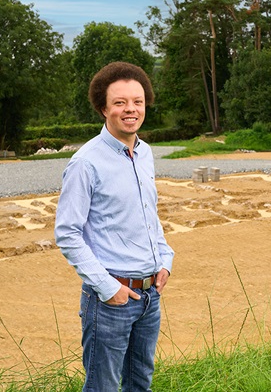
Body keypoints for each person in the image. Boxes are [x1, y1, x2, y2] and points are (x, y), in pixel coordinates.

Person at [54, 61, 174, 391]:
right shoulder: (86, 163)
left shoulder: (146, 153)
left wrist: (165, 259)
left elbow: (148, 214)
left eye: (137, 101)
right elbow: (67, 233)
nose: (130, 109)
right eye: (120, 102)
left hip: (150, 297)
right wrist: (109, 289)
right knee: (102, 387)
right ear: (103, 108)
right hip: (111, 301)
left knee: (140, 383)